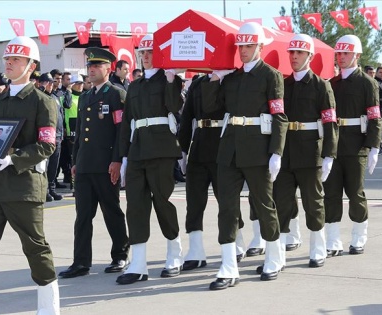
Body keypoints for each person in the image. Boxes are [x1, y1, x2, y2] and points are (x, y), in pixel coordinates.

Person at [0, 35, 60, 315]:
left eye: (15, 59)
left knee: (35, 246)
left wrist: (13, 159)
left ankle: (49, 308)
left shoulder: (43, 102)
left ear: (31, 65)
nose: (9, 63)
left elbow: (47, 144)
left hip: (24, 186)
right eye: (7, 58)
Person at [202, 22, 288, 290]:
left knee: (263, 204)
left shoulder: (271, 76)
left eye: (248, 45)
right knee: (226, 207)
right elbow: (212, 108)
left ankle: (274, 256)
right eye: (240, 46)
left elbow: (279, 116)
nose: (243, 50)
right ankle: (229, 266)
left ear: (260, 47)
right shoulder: (232, 77)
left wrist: (276, 151)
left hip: (258, 149)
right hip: (229, 149)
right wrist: (214, 79)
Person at [117, 34, 185, 285]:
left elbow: (174, 106)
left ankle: (174, 253)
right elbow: (127, 123)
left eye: (150, 52)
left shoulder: (170, 79)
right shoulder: (134, 85)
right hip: (137, 151)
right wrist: (123, 156)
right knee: (135, 206)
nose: (145, 57)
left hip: (161, 148)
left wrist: (170, 80)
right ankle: (139, 263)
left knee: (163, 201)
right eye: (142, 53)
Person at [58, 47, 129, 279]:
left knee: (112, 212)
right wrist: (76, 160)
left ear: (108, 69)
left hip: (106, 164)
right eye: (89, 66)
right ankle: (81, 262)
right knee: (83, 216)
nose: (91, 70)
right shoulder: (86, 95)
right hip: (86, 165)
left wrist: (117, 160)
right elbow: (80, 132)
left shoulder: (116, 94)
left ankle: (120, 254)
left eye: (97, 66)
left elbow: (121, 131)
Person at [272, 34, 339, 269]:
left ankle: (318, 249)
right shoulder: (283, 84)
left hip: (310, 153)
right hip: (286, 152)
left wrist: (329, 154)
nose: (294, 57)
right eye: (291, 52)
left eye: (299, 53)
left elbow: (330, 121)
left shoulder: (322, 85)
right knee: (281, 203)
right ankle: (277, 256)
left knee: (314, 203)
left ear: (310, 56)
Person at [178, 73, 248, 269]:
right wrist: (182, 149)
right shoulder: (199, 82)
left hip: (223, 144)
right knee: (194, 201)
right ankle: (196, 250)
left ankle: (236, 241)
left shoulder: (232, 80)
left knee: (227, 200)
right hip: (199, 145)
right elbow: (187, 116)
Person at [325, 35, 381, 257]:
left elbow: (374, 116)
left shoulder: (368, 83)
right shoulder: (331, 83)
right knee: (331, 194)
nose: (341, 57)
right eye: (338, 53)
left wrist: (374, 147)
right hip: (334, 145)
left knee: (355, 193)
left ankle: (359, 236)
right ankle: (333, 239)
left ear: (357, 55)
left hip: (356, 146)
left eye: (346, 53)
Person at [38, 72, 63, 202]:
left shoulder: (55, 97)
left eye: (51, 83)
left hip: (57, 136)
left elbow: (60, 116)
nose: (50, 85)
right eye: (47, 83)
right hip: (46, 137)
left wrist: (62, 134)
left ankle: (52, 189)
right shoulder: (39, 97)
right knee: (45, 166)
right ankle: (45, 191)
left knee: (54, 166)